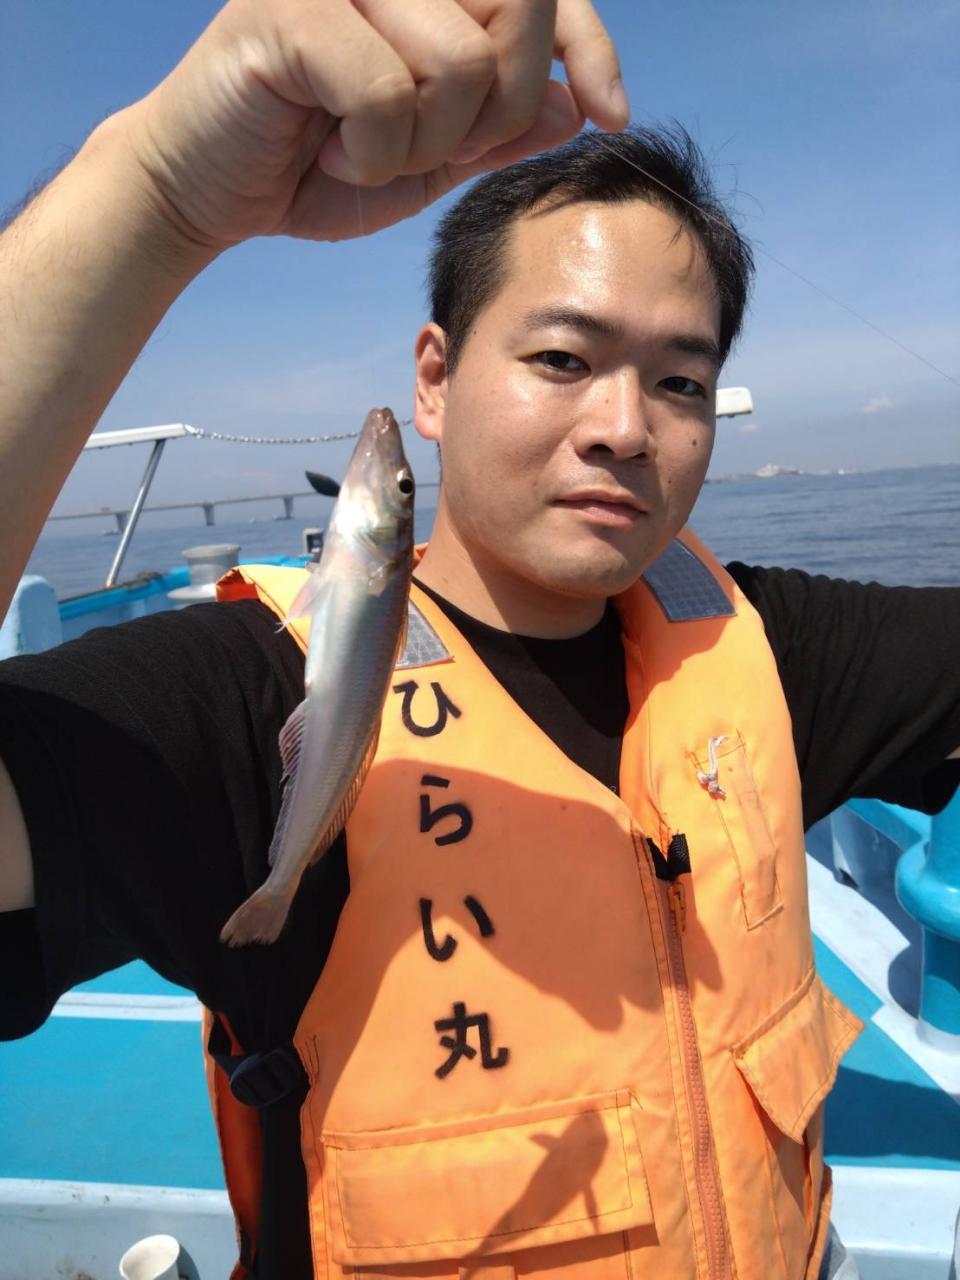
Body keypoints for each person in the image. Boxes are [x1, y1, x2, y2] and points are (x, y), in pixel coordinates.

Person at [0, 3, 958, 1279]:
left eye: (681, 380)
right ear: (435, 380)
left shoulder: (774, 654)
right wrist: (155, 190)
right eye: (562, 356)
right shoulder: (250, 686)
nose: (626, 425)